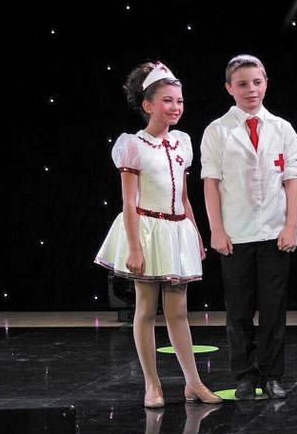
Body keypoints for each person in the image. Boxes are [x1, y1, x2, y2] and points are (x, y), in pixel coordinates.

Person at [95, 61, 222, 408]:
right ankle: (152, 384)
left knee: (179, 311)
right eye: (167, 100)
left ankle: (193, 382)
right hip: (147, 229)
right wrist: (134, 247)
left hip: (176, 229)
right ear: (148, 105)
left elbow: (183, 196)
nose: (175, 107)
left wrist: (195, 232)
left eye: (179, 101)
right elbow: (129, 200)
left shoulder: (182, 142)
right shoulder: (132, 146)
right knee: (146, 308)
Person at [200, 54, 297, 401]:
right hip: (236, 234)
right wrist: (216, 229)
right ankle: (244, 375)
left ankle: (273, 374)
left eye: (257, 82)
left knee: (274, 309)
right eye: (242, 83)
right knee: (239, 310)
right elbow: (211, 183)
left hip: (274, 234)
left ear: (266, 83)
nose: (251, 89)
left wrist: (291, 226)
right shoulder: (218, 130)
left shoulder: (282, 128)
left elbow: (292, 180)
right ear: (230, 88)